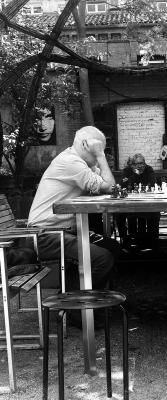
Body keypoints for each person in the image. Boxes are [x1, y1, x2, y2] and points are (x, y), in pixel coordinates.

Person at [27, 126, 120, 326]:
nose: (98, 155)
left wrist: (97, 157)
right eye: (97, 149)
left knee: (111, 247)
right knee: (101, 258)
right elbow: (111, 187)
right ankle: (74, 309)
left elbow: (108, 186)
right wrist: (101, 155)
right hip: (45, 234)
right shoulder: (70, 162)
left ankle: (85, 298)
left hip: (63, 232)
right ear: (85, 145)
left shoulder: (79, 162)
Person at [116, 153, 161, 250]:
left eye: (142, 163)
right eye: (137, 164)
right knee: (118, 214)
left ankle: (152, 240)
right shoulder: (127, 171)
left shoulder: (148, 169)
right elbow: (122, 185)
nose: (140, 166)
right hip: (129, 203)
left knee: (155, 212)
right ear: (132, 165)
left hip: (147, 201)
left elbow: (153, 183)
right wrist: (135, 174)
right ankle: (125, 239)